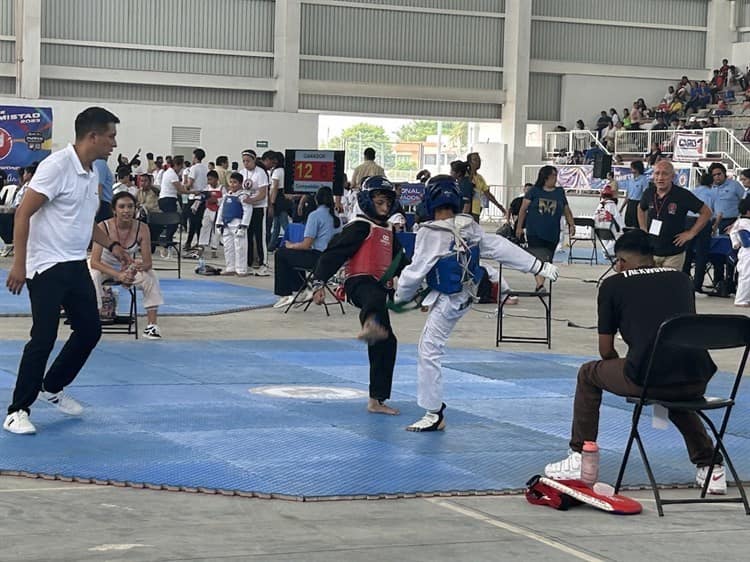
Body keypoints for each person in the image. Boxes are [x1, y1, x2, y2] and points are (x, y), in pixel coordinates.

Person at [544, 229, 726, 494]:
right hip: (696, 377)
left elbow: (605, 349)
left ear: (621, 262)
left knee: (588, 374)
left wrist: (627, 366)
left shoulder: (613, 285)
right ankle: (711, 467)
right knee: (671, 386)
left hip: (650, 377)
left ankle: (580, 456)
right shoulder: (681, 279)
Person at [393, 177, 559, 431]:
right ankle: (433, 411)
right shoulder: (467, 225)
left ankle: (433, 413)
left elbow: (416, 271)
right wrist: (539, 266)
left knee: (428, 350)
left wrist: (399, 297)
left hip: (450, 299)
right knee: (430, 347)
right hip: (467, 295)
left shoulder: (431, 232)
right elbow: (499, 247)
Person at [4, 106, 132, 435]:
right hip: (45, 265)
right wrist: (19, 264)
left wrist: (116, 247)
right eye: (111, 136)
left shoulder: (92, 173)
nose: (114, 144)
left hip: (75, 262)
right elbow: (22, 214)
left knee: (90, 330)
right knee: (43, 337)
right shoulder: (56, 167)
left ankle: (52, 386)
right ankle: (17, 409)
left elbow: (85, 222)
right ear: (93, 136)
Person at [310, 176, 408, 416]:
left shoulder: (387, 231)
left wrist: (417, 289)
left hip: (379, 287)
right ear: (367, 201)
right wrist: (318, 283)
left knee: (388, 343)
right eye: (380, 202)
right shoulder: (360, 226)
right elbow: (334, 253)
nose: (385, 208)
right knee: (373, 297)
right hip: (358, 283)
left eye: (388, 204)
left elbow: (401, 262)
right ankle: (369, 323)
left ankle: (377, 399)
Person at [89, 192, 164, 338]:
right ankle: (94, 317)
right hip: (103, 266)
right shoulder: (103, 226)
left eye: (130, 206)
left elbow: (148, 262)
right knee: (93, 274)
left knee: (151, 275)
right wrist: (119, 275)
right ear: (114, 210)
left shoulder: (142, 228)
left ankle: (152, 325)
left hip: (127, 266)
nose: (126, 210)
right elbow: (94, 262)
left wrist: (133, 269)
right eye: (122, 207)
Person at [273, 186, 342, 309]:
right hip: (333, 260)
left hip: (318, 258)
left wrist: (291, 245)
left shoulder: (315, 215)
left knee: (281, 253)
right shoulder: (336, 216)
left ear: (316, 200)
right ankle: (303, 288)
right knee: (295, 255)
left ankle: (285, 293)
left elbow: (306, 245)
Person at [638, 160, 712, 270]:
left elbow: (706, 212)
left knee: (669, 285)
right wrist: (643, 228)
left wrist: (691, 233)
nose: (660, 177)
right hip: (651, 251)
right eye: (657, 173)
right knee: (651, 285)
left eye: (665, 173)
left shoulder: (682, 195)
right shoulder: (649, 192)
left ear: (672, 176)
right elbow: (640, 208)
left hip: (673, 252)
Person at [515, 165, 575, 291]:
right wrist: (519, 227)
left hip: (552, 232)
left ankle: (541, 283)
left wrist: (571, 224)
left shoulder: (559, 192)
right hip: (534, 231)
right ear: (546, 177)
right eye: (553, 176)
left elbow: (566, 209)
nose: (555, 178)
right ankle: (540, 284)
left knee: (547, 259)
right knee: (538, 257)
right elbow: (522, 210)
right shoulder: (534, 191)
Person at [708, 163, 747, 293]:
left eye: (719, 174)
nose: (717, 177)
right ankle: (718, 282)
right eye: (714, 175)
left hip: (732, 222)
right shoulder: (711, 188)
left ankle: (732, 282)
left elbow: (745, 204)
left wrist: (737, 224)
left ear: (724, 174)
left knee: (732, 253)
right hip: (715, 223)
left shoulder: (735, 186)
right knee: (716, 253)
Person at [681, 172, 716, 297]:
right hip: (704, 221)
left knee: (687, 254)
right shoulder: (713, 193)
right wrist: (714, 228)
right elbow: (714, 213)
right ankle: (697, 286)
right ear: (712, 183)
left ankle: (682, 284)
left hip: (689, 220)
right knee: (702, 254)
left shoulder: (692, 191)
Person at [239, 149, 270, 276]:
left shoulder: (261, 173)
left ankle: (264, 263)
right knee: (248, 234)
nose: (246, 163)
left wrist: (251, 200)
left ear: (254, 160)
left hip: (259, 207)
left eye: (248, 161)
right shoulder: (242, 173)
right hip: (247, 208)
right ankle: (249, 262)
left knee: (259, 235)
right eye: (244, 161)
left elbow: (263, 194)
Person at [215, 171, 253, 276]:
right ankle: (230, 267)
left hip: (237, 224)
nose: (232, 184)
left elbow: (247, 211)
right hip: (226, 224)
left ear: (240, 184)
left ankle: (241, 269)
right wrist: (219, 223)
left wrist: (244, 226)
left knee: (240, 247)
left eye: (235, 182)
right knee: (228, 247)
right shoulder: (227, 195)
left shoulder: (243, 195)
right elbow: (221, 210)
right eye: (231, 182)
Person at [467, 152, 506, 222]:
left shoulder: (480, 177)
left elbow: (487, 194)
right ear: (469, 162)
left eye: (479, 160)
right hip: (467, 208)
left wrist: (499, 206)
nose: (478, 162)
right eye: (475, 160)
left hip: (477, 209)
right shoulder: (466, 175)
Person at [197, 170, 223, 258]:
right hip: (208, 210)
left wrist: (216, 200)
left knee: (216, 231)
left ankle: (214, 249)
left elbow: (224, 200)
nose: (209, 182)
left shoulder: (222, 188)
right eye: (208, 180)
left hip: (218, 211)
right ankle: (201, 246)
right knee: (204, 227)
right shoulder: (207, 188)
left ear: (216, 179)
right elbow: (201, 198)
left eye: (211, 179)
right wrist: (195, 206)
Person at [730, 197, 750, 307]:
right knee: (746, 276)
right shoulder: (744, 223)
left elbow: (733, 234)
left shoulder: (740, 222)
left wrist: (735, 243)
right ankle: (741, 300)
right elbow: (746, 241)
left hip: (745, 252)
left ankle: (746, 298)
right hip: (747, 252)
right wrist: (736, 243)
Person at [593, 185, 623, 255]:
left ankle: (605, 251)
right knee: (619, 236)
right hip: (610, 230)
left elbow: (594, 217)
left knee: (605, 238)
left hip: (599, 230)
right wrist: (622, 227)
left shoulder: (599, 205)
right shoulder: (612, 205)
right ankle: (606, 250)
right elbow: (618, 218)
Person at [619, 160, 648, 228]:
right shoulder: (630, 180)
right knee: (628, 223)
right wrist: (622, 208)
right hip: (630, 203)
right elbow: (627, 195)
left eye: (632, 167)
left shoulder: (644, 180)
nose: (630, 169)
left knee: (636, 224)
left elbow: (645, 194)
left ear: (637, 169)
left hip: (638, 203)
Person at [93, 157, 114, 222]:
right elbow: (99, 185)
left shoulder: (95, 163)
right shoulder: (100, 162)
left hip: (102, 203)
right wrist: (97, 207)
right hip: (103, 204)